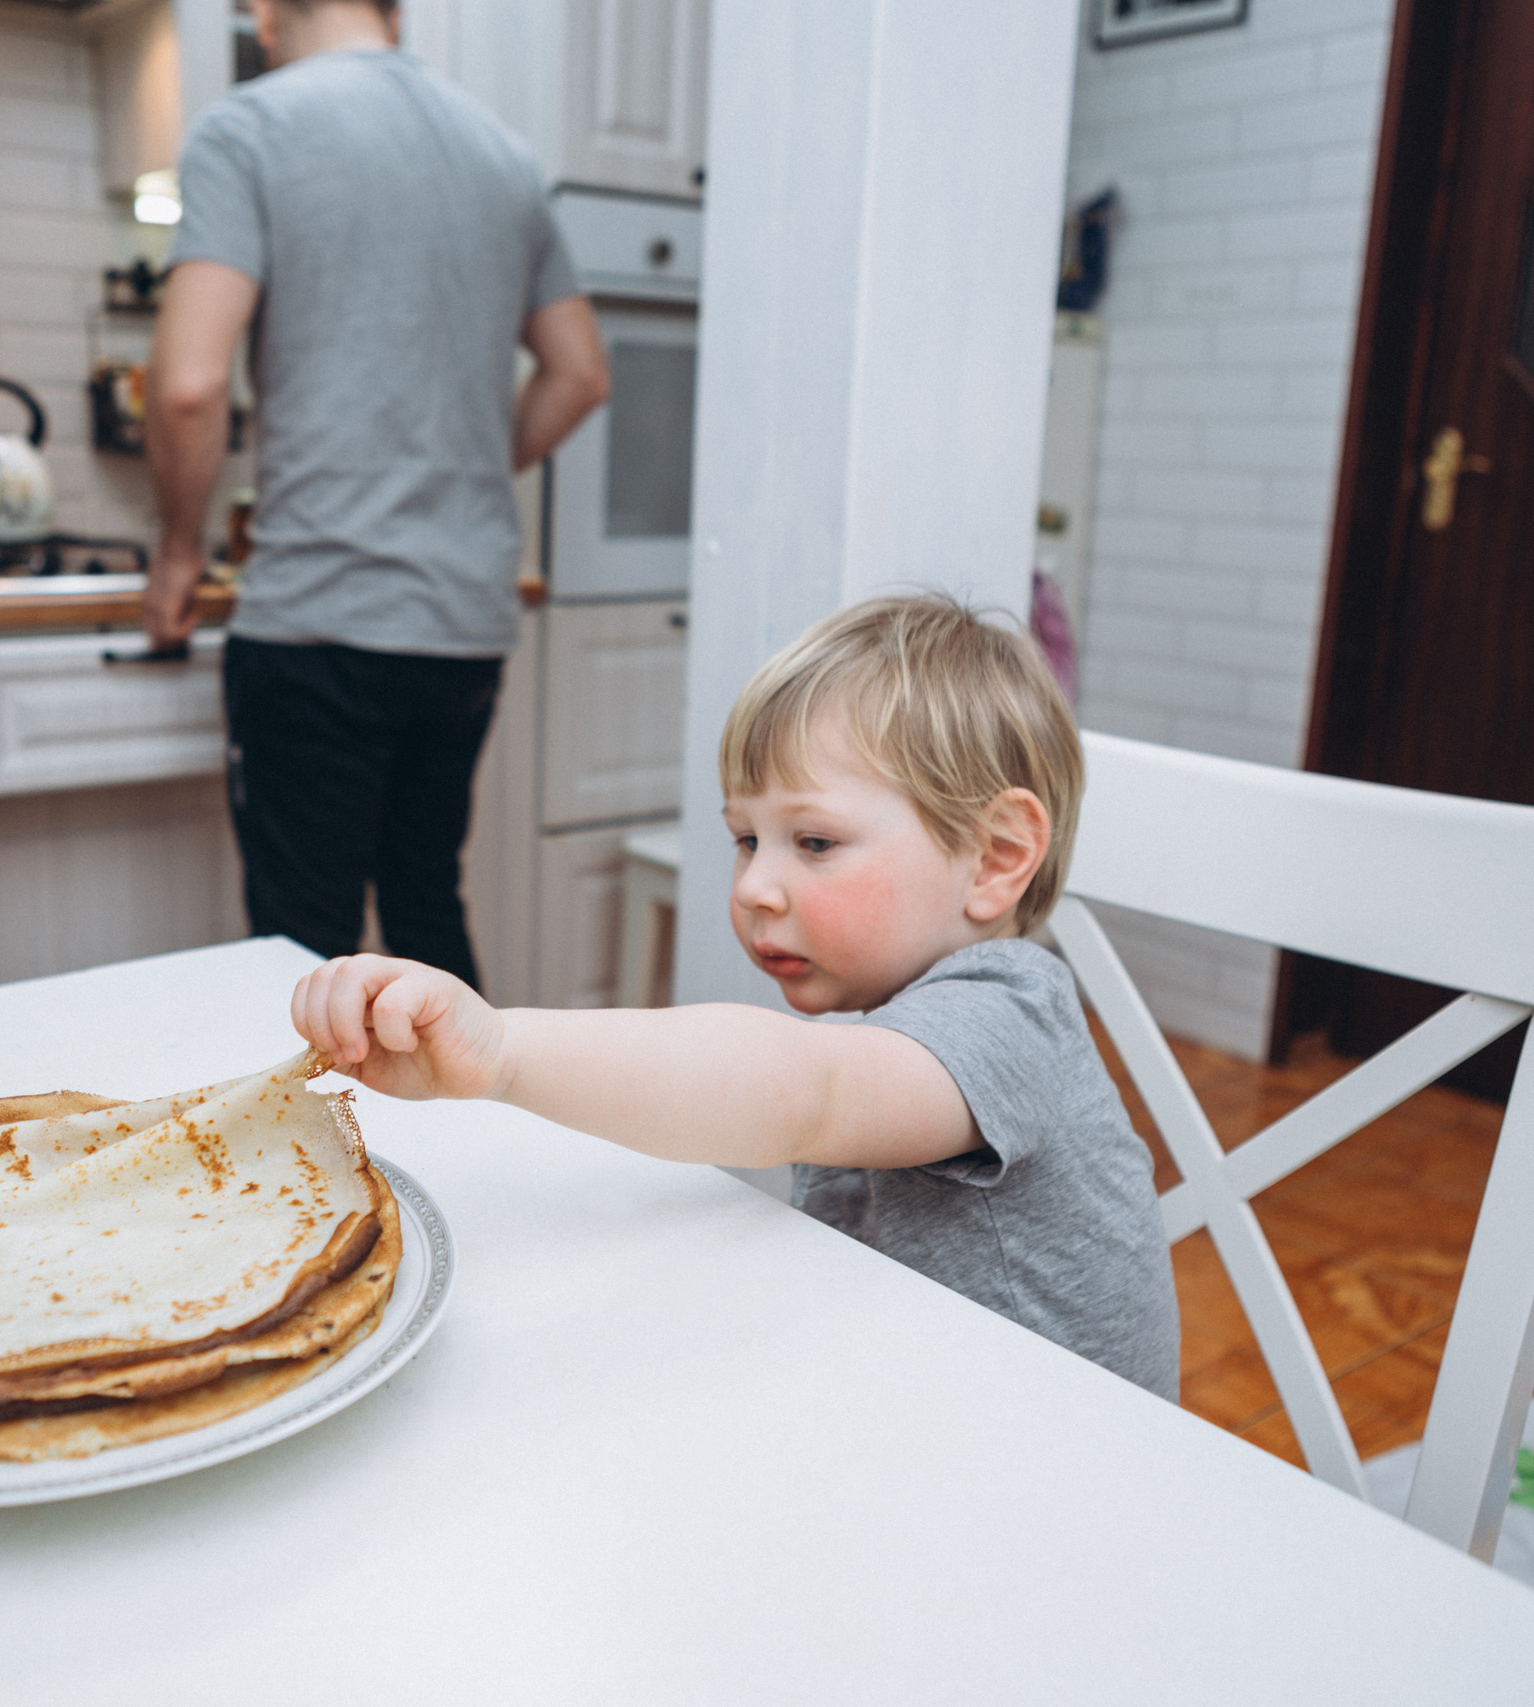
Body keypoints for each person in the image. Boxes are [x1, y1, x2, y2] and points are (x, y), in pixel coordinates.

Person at [291, 595, 1182, 1398]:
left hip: (1057, 1478)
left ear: (996, 856)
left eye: (815, 841)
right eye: (746, 839)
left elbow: (803, 1092)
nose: (755, 885)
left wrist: (503, 1052)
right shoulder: (908, 1024)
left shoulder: (1012, 1014)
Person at [142, 0, 611, 991]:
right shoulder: (504, 155)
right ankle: (476, 1101)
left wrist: (178, 551)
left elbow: (187, 385)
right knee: (425, 904)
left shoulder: (250, 126)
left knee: (304, 943)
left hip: (321, 614)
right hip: (462, 625)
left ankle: (319, 1109)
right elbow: (579, 374)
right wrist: (461, 465)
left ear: (267, 9)